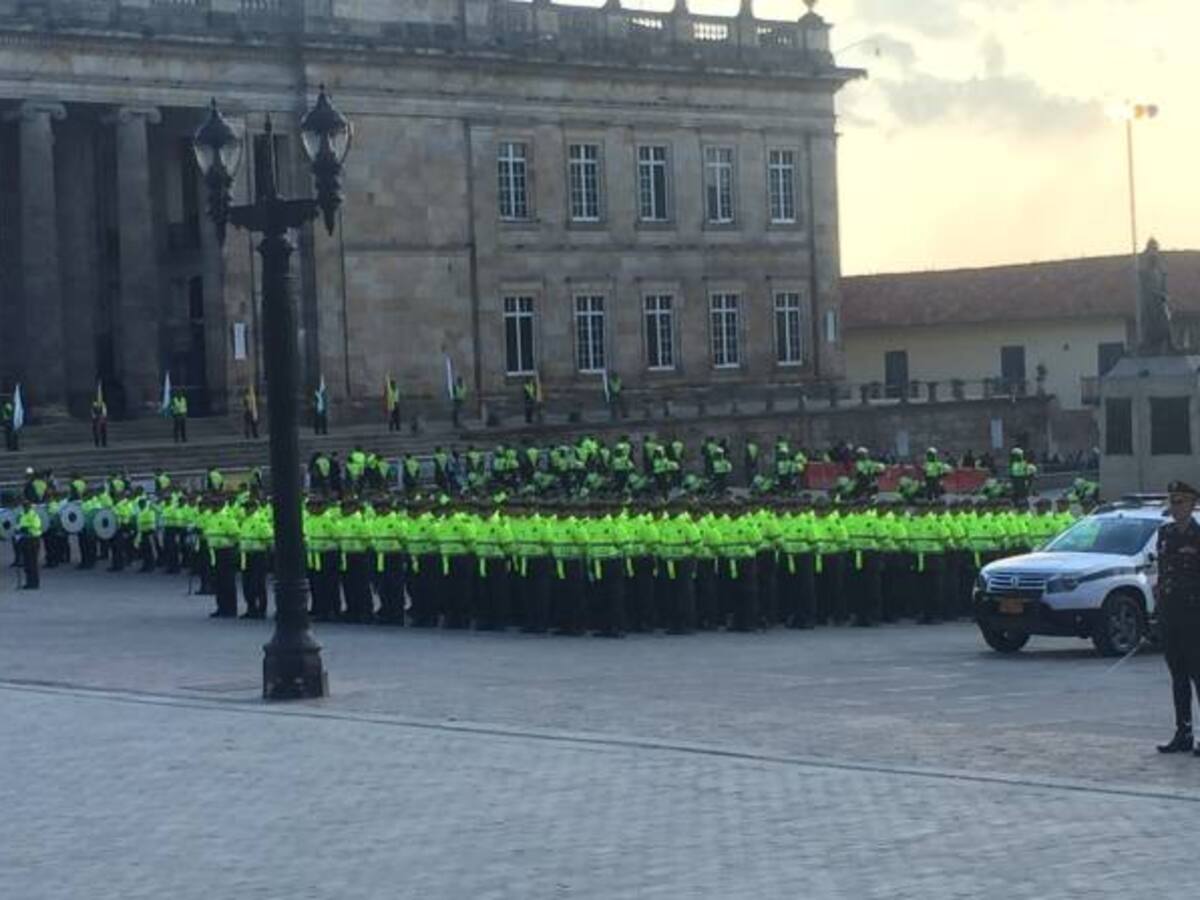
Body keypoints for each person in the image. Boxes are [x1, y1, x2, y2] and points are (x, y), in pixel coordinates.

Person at [1155, 481, 1200, 755]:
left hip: (1195, 615)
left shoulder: (1198, 535)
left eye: (1181, 502)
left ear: (1193, 504)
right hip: (1171, 614)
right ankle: (1183, 732)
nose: (1175, 508)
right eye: (1172, 502)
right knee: (1178, 676)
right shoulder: (1165, 533)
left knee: (1199, 676)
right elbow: (1163, 574)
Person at [17, 500, 42, 589]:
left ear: (30, 506)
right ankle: (29, 582)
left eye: (26, 506)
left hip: (33, 540)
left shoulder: (34, 514)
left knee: (32, 563)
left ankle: (34, 583)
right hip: (25, 540)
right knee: (27, 563)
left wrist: (26, 528)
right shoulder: (22, 515)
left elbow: (36, 526)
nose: (25, 507)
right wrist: (19, 529)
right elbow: (19, 525)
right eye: (24, 506)